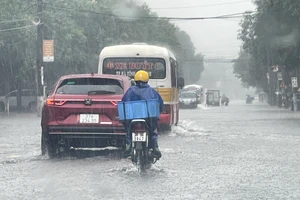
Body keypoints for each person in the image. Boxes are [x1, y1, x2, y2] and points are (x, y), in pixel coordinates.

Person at [121, 70, 164, 159]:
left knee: (128, 131)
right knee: (153, 131)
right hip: (148, 119)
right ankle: (155, 147)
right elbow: (160, 104)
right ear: (147, 80)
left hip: (132, 118)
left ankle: (128, 144)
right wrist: (160, 110)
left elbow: (123, 102)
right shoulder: (152, 91)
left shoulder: (130, 91)